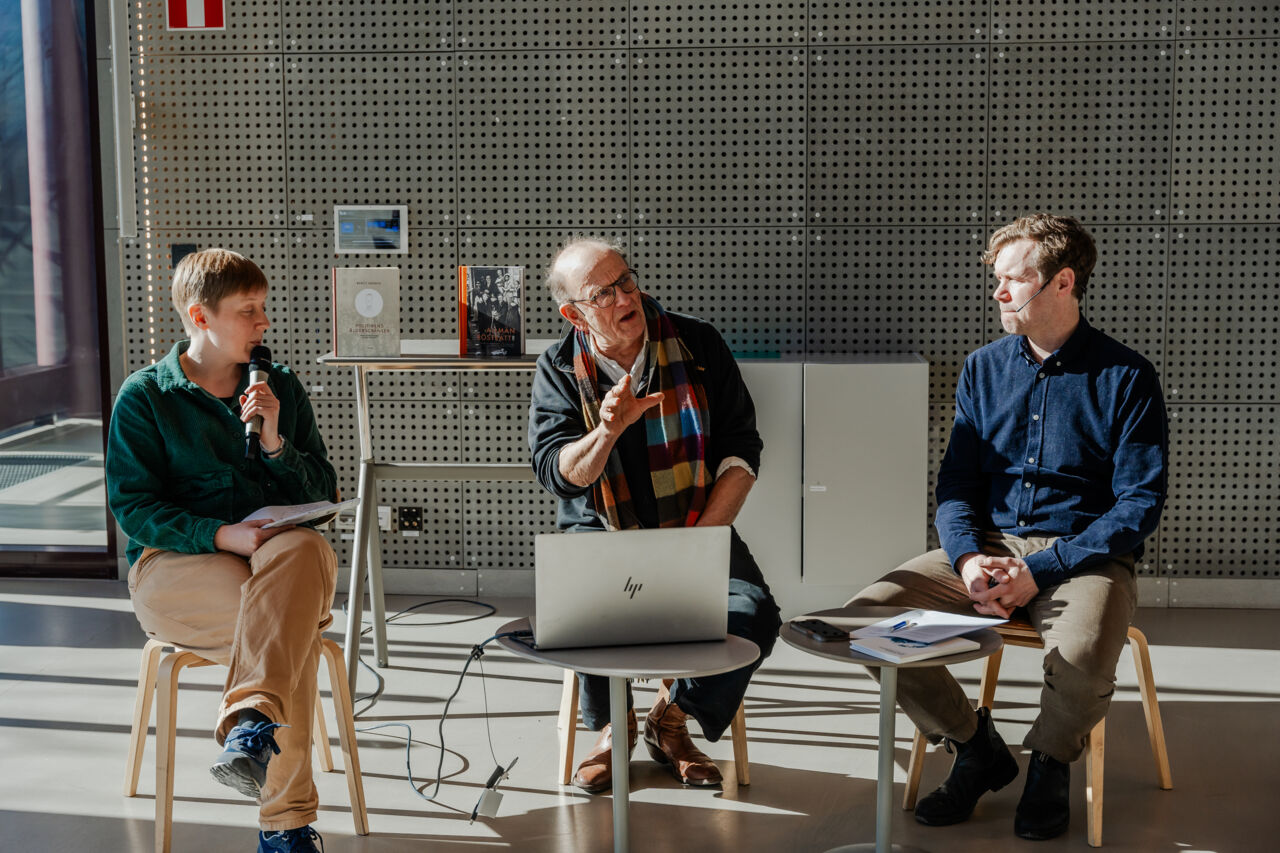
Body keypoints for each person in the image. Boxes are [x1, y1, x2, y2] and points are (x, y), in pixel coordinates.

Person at [847, 214, 1168, 841]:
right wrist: (968, 560)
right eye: (995, 280)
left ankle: (1049, 763)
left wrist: (1041, 571)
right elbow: (958, 488)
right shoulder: (982, 369)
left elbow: (1140, 504)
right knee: (867, 620)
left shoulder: (1127, 377)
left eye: (1010, 281)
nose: (996, 293)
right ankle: (974, 748)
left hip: (1084, 555)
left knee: (1080, 653)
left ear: (1062, 283)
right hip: (988, 547)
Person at [528, 237, 782, 794]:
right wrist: (607, 430)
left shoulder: (696, 342)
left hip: (696, 520)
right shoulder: (557, 366)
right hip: (601, 529)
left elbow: (742, 449)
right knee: (588, 609)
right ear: (574, 312)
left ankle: (672, 717)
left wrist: (698, 544)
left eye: (627, 280)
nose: (626, 296)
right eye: (605, 292)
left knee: (756, 616)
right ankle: (613, 730)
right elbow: (554, 470)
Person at [106, 249, 338, 853]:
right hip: (175, 567)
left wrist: (276, 441)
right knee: (286, 640)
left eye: (264, 309)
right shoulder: (145, 397)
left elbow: (321, 491)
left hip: (278, 564)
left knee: (304, 549)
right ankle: (285, 829)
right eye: (249, 311)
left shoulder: (279, 386)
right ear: (199, 316)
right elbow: (134, 509)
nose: (264, 323)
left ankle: (252, 729)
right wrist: (219, 535)